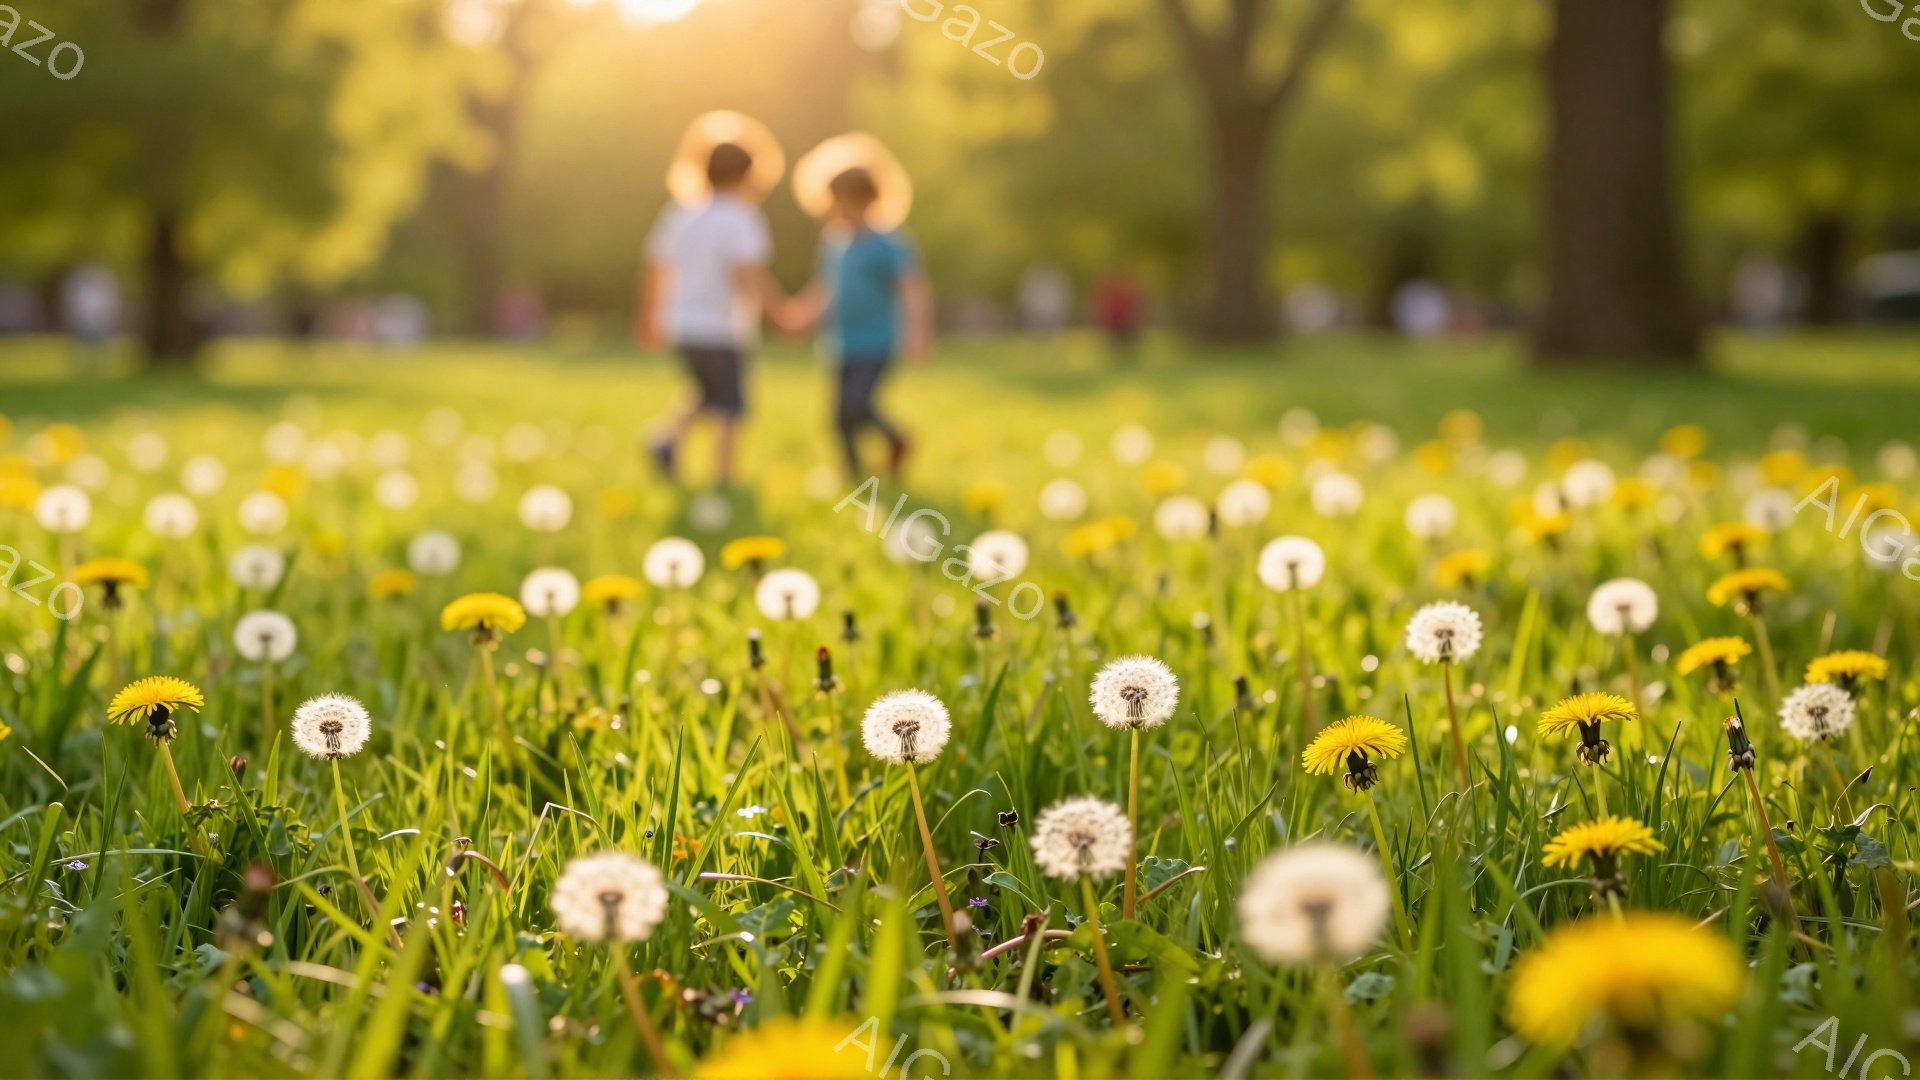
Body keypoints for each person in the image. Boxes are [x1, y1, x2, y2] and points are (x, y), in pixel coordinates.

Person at [639, 112, 787, 486]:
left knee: (707, 394)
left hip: (683, 324)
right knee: (729, 405)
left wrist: (649, 318)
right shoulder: (740, 217)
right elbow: (746, 273)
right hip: (723, 326)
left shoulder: (681, 214)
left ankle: (665, 438)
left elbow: (657, 268)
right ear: (750, 175)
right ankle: (724, 475)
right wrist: (779, 312)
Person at [784, 134, 931, 481]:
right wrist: (801, 316)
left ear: (870, 200)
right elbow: (826, 289)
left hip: (877, 342)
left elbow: (912, 288)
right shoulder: (834, 243)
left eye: (849, 203)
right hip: (840, 343)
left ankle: (896, 438)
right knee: (839, 419)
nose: (842, 211)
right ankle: (854, 477)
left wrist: (917, 333)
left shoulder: (887, 242)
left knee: (857, 404)